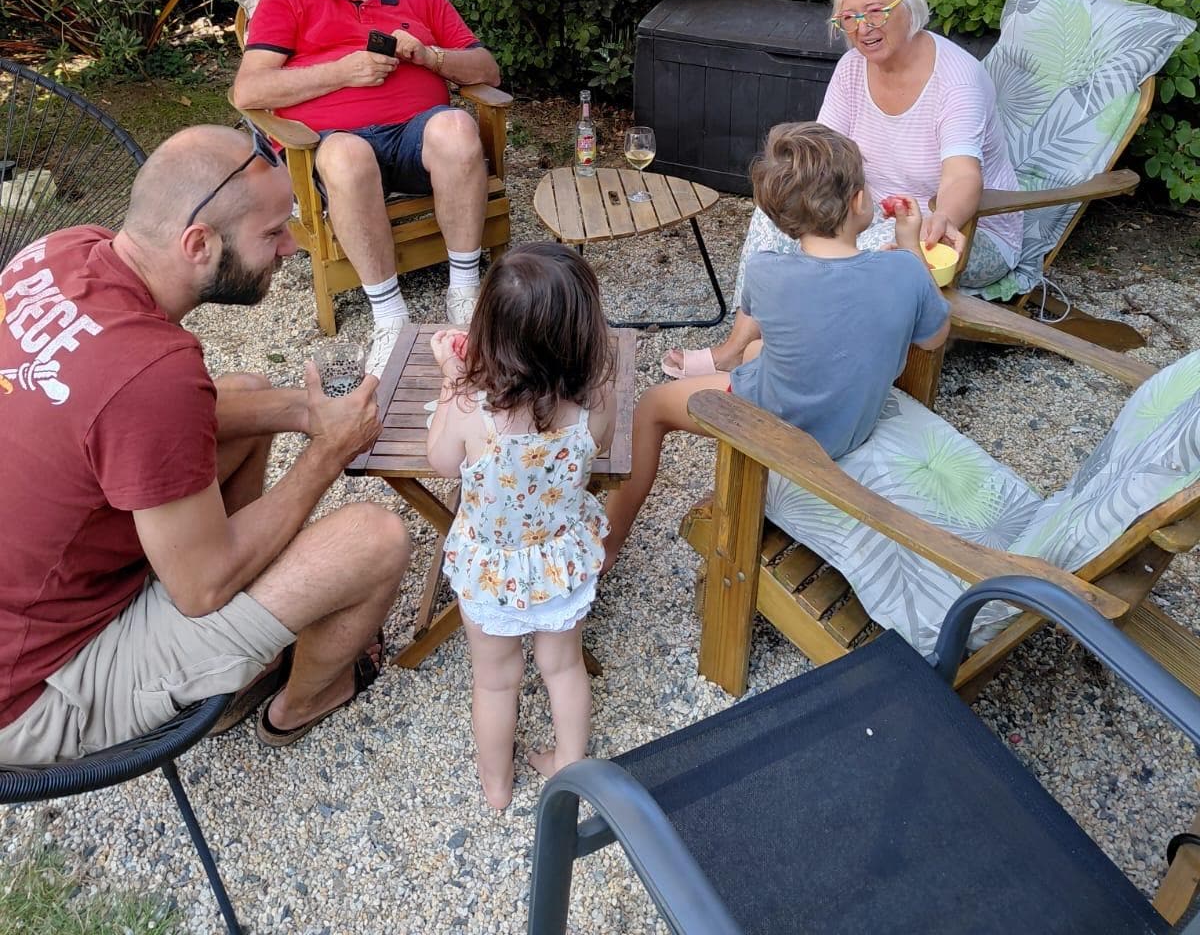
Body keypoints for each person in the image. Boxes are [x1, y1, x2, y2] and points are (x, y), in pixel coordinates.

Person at [0, 124, 411, 766]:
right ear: (198, 244)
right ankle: (299, 705)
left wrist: (302, 411)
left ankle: (248, 659)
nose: (292, 247)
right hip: (35, 688)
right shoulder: (153, 374)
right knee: (376, 540)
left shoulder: (62, 250)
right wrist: (327, 453)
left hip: (35, 588)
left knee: (247, 396)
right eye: (273, 233)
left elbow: (142, 413)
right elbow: (202, 588)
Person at [604, 123, 952, 568]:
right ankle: (734, 361)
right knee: (760, 354)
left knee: (652, 405)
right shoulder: (904, 272)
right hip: (848, 427)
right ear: (859, 200)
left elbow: (808, 311)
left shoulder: (766, 271)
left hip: (774, 429)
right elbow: (935, 337)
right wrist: (910, 248)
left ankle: (608, 547)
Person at [663, 0, 1020, 380]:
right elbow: (823, 156)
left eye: (875, 12)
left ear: (909, 6)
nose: (863, 27)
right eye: (849, 18)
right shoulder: (852, 67)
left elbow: (963, 175)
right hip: (864, 209)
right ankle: (736, 349)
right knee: (775, 216)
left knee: (855, 248)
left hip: (955, 230)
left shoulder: (957, 78)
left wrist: (945, 215)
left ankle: (791, 358)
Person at [231, 0, 503, 377]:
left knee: (458, 127)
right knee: (347, 156)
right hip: (337, 147)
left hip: (417, 140)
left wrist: (430, 56)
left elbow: (487, 69)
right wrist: (342, 72)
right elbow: (248, 91)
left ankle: (464, 292)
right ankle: (390, 316)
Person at [425, 243, 614, 810]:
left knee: (495, 680)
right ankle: (569, 768)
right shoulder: (595, 403)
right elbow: (598, 448)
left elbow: (441, 461)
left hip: (491, 568)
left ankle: (497, 785)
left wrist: (451, 379)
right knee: (564, 668)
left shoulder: (472, 412)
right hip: (560, 561)